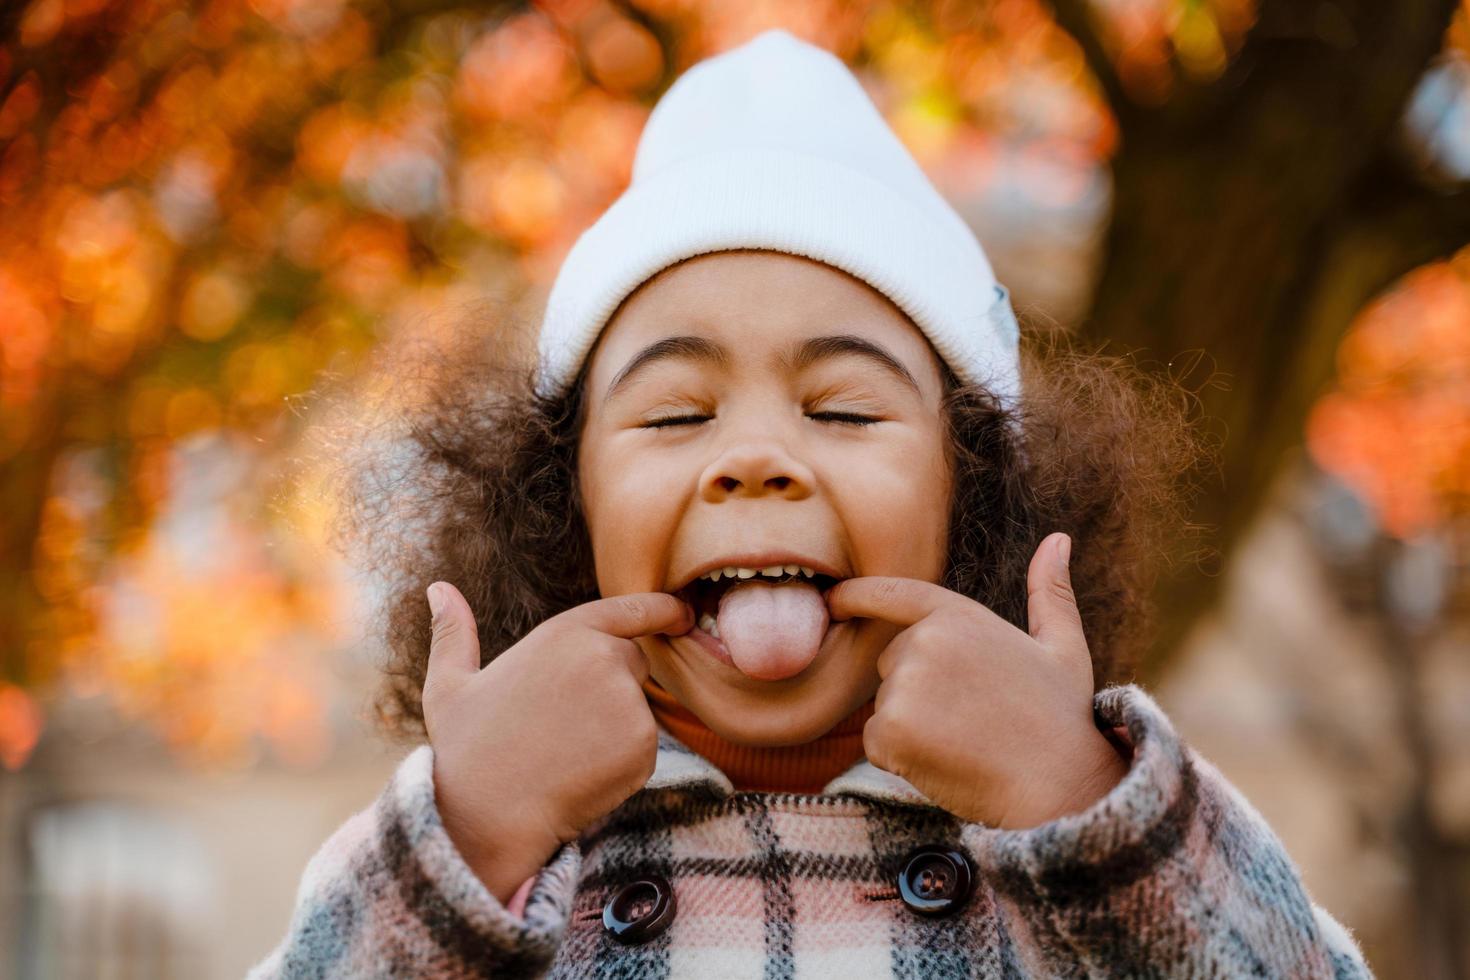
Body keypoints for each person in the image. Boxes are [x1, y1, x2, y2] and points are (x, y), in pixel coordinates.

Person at [248, 28, 1373, 979]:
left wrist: (1072, 792)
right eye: (676, 412)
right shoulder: (479, 848)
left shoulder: (1080, 822)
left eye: (842, 408)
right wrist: (475, 829)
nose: (754, 458)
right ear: (561, 506)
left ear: (972, 495)